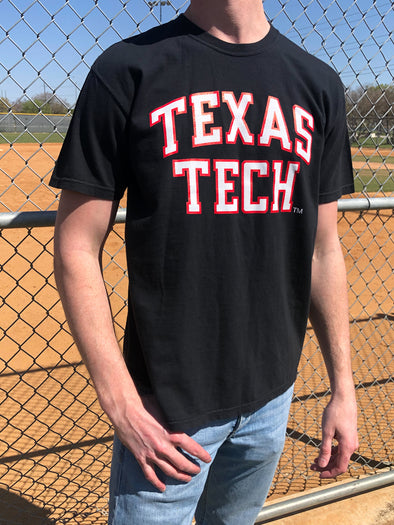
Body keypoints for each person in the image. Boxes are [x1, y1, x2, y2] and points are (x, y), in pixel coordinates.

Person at [50, 0, 359, 523]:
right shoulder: (127, 69)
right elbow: (76, 244)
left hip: (272, 396)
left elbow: (323, 248)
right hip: (167, 410)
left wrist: (343, 389)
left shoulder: (317, 83)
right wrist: (121, 402)